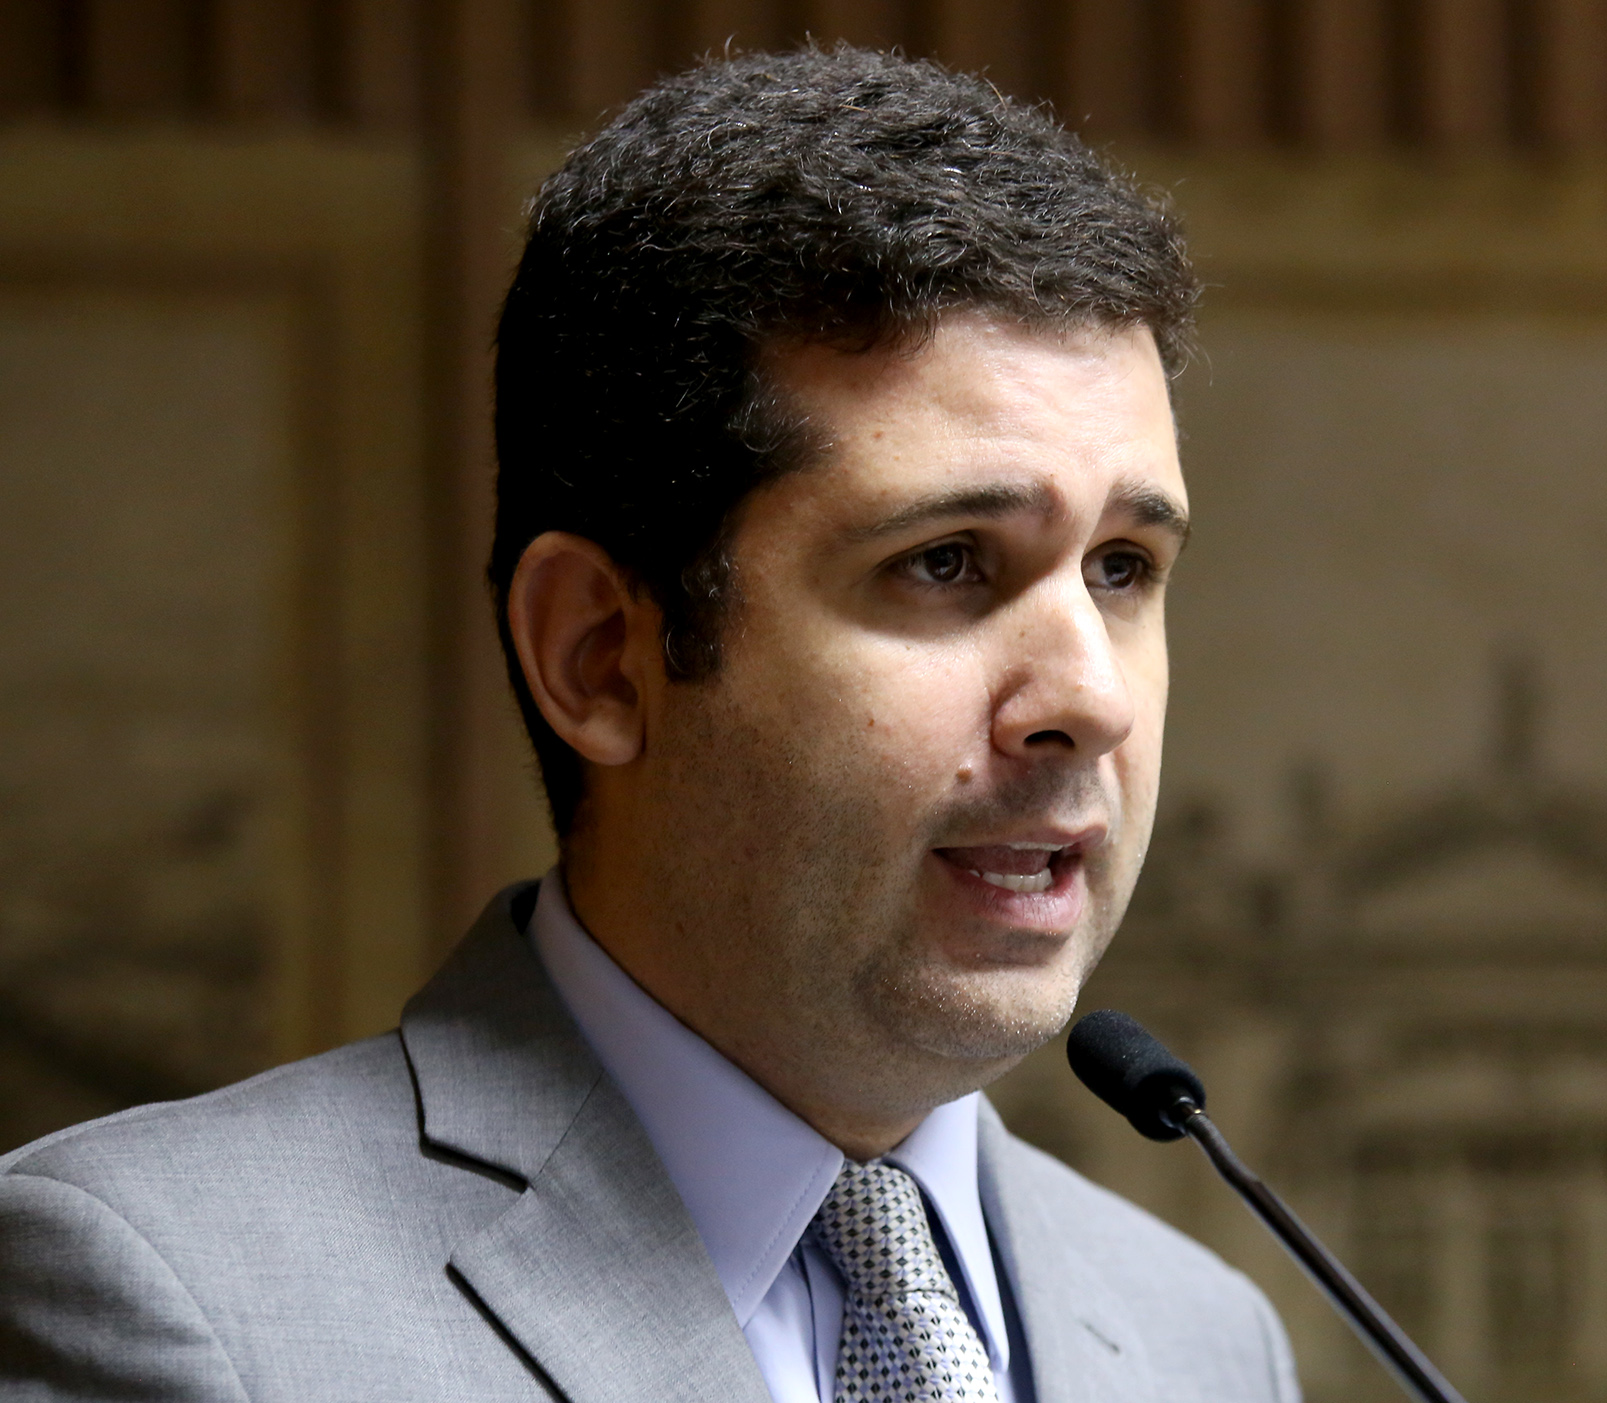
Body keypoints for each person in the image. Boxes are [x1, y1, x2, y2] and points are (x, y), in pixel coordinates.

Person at [0, 47, 1300, 1403]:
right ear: (602, 658)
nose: (1090, 700)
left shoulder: (1209, 1342)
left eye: (1122, 569)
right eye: (945, 561)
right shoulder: (162, 1300)